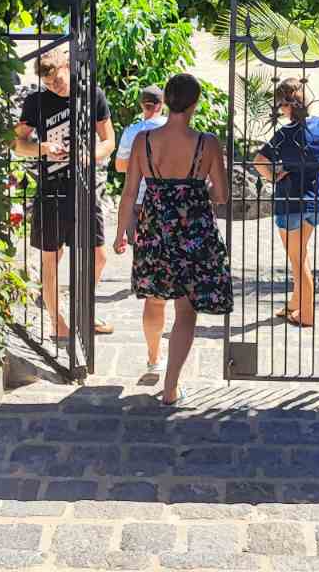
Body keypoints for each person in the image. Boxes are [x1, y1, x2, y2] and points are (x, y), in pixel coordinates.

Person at [114, 73, 232, 406]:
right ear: (195, 103)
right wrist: (195, 190)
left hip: (154, 229)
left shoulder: (143, 141)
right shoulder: (207, 143)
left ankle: (153, 358)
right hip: (193, 231)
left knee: (154, 299)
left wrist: (122, 231)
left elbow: (128, 192)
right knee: (186, 310)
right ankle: (170, 387)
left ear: (165, 100)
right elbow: (221, 196)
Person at [13, 53, 116, 338]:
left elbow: (109, 141)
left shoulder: (92, 94)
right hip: (51, 189)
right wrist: (43, 148)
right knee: (50, 258)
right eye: (48, 83)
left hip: (83, 187)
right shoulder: (36, 101)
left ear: (66, 67)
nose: (54, 87)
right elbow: (17, 144)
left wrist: (89, 156)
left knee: (98, 256)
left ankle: (83, 311)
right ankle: (58, 325)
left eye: (57, 80)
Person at [252, 78, 319, 329]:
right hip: (315, 202)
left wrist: (273, 176)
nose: (280, 110)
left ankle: (307, 314)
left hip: (290, 202)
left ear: (287, 105)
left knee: (297, 260)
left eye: (281, 105)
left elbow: (259, 162)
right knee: (300, 254)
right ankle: (294, 302)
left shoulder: (284, 134)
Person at [115, 86, 169, 375]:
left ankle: (154, 356)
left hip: (141, 206)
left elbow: (121, 167)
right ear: (163, 105)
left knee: (154, 291)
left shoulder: (134, 132)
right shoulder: (183, 132)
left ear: (143, 105)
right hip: (175, 211)